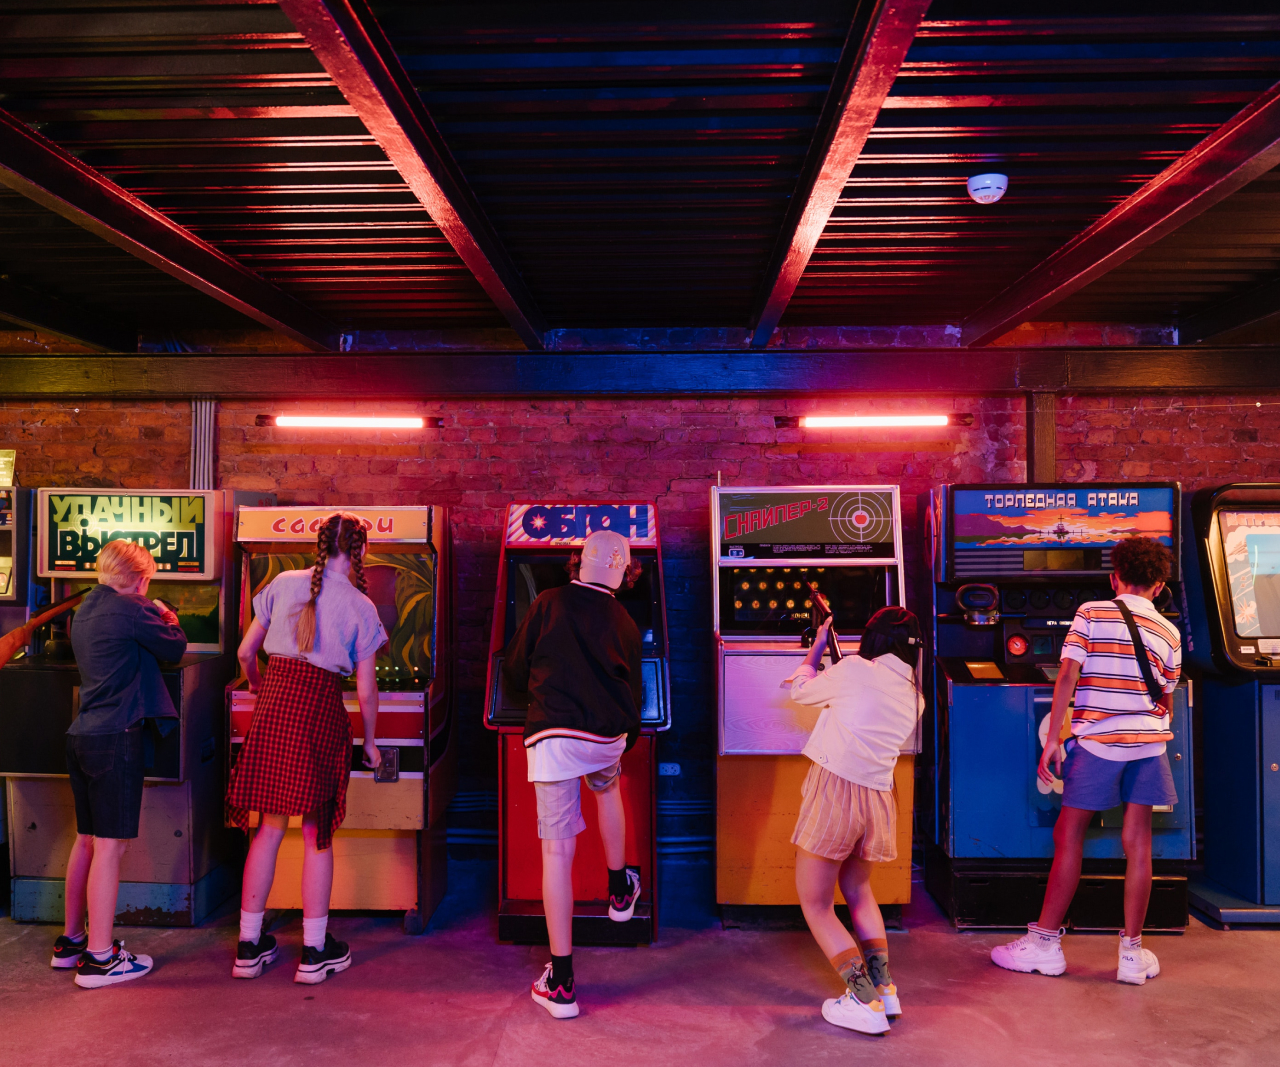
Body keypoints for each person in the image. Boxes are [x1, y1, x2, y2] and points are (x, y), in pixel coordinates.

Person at [991, 536, 1180, 985]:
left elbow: (1066, 680)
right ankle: (1132, 955)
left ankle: (1045, 943)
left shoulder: (1091, 613)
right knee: (1138, 843)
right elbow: (1166, 699)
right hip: (1150, 744)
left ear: (1115, 577)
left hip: (1100, 743)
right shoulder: (1169, 631)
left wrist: (1056, 737)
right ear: (1158, 585)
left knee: (1068, 832)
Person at [226, 512, 385, 985]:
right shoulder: (361, 606)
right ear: (357, 552)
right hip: (319, 712)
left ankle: (248, 946)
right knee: (318, 831)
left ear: (319, 544)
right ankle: (314, 953)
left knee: (268, 828)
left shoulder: (281, 583)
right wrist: (371, 743)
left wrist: (258, 686)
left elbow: (244, 653)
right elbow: (368, 689)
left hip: (275, 706)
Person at [503, 528, 645, 1020]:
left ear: (577, 562)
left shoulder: (547, 602)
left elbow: (515, 671)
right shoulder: (626, 619)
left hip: (554, 737)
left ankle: (561, 982)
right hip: (606, 736)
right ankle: (619, 887)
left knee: (557, 851)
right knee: (607, 789)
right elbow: (637, 691)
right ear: (625, 572)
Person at [54, 539, 187, 989]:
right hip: (117, 737)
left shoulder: (86, 608)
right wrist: (168, 614)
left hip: (82, 735)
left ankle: (72, 941)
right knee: (111, 847)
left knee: (87, 840)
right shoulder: (135, 608)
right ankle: (99, 959)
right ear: (141, 578)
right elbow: (174, 647)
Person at [786, 606, 924, 1036]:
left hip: (836, 792)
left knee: (816, 903)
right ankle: (884, 989)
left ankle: (861, 999)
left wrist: (816, 650)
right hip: (878, 799)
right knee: (859, 891)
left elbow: (802, 693)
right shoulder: (914, 694)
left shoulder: (857, 670)